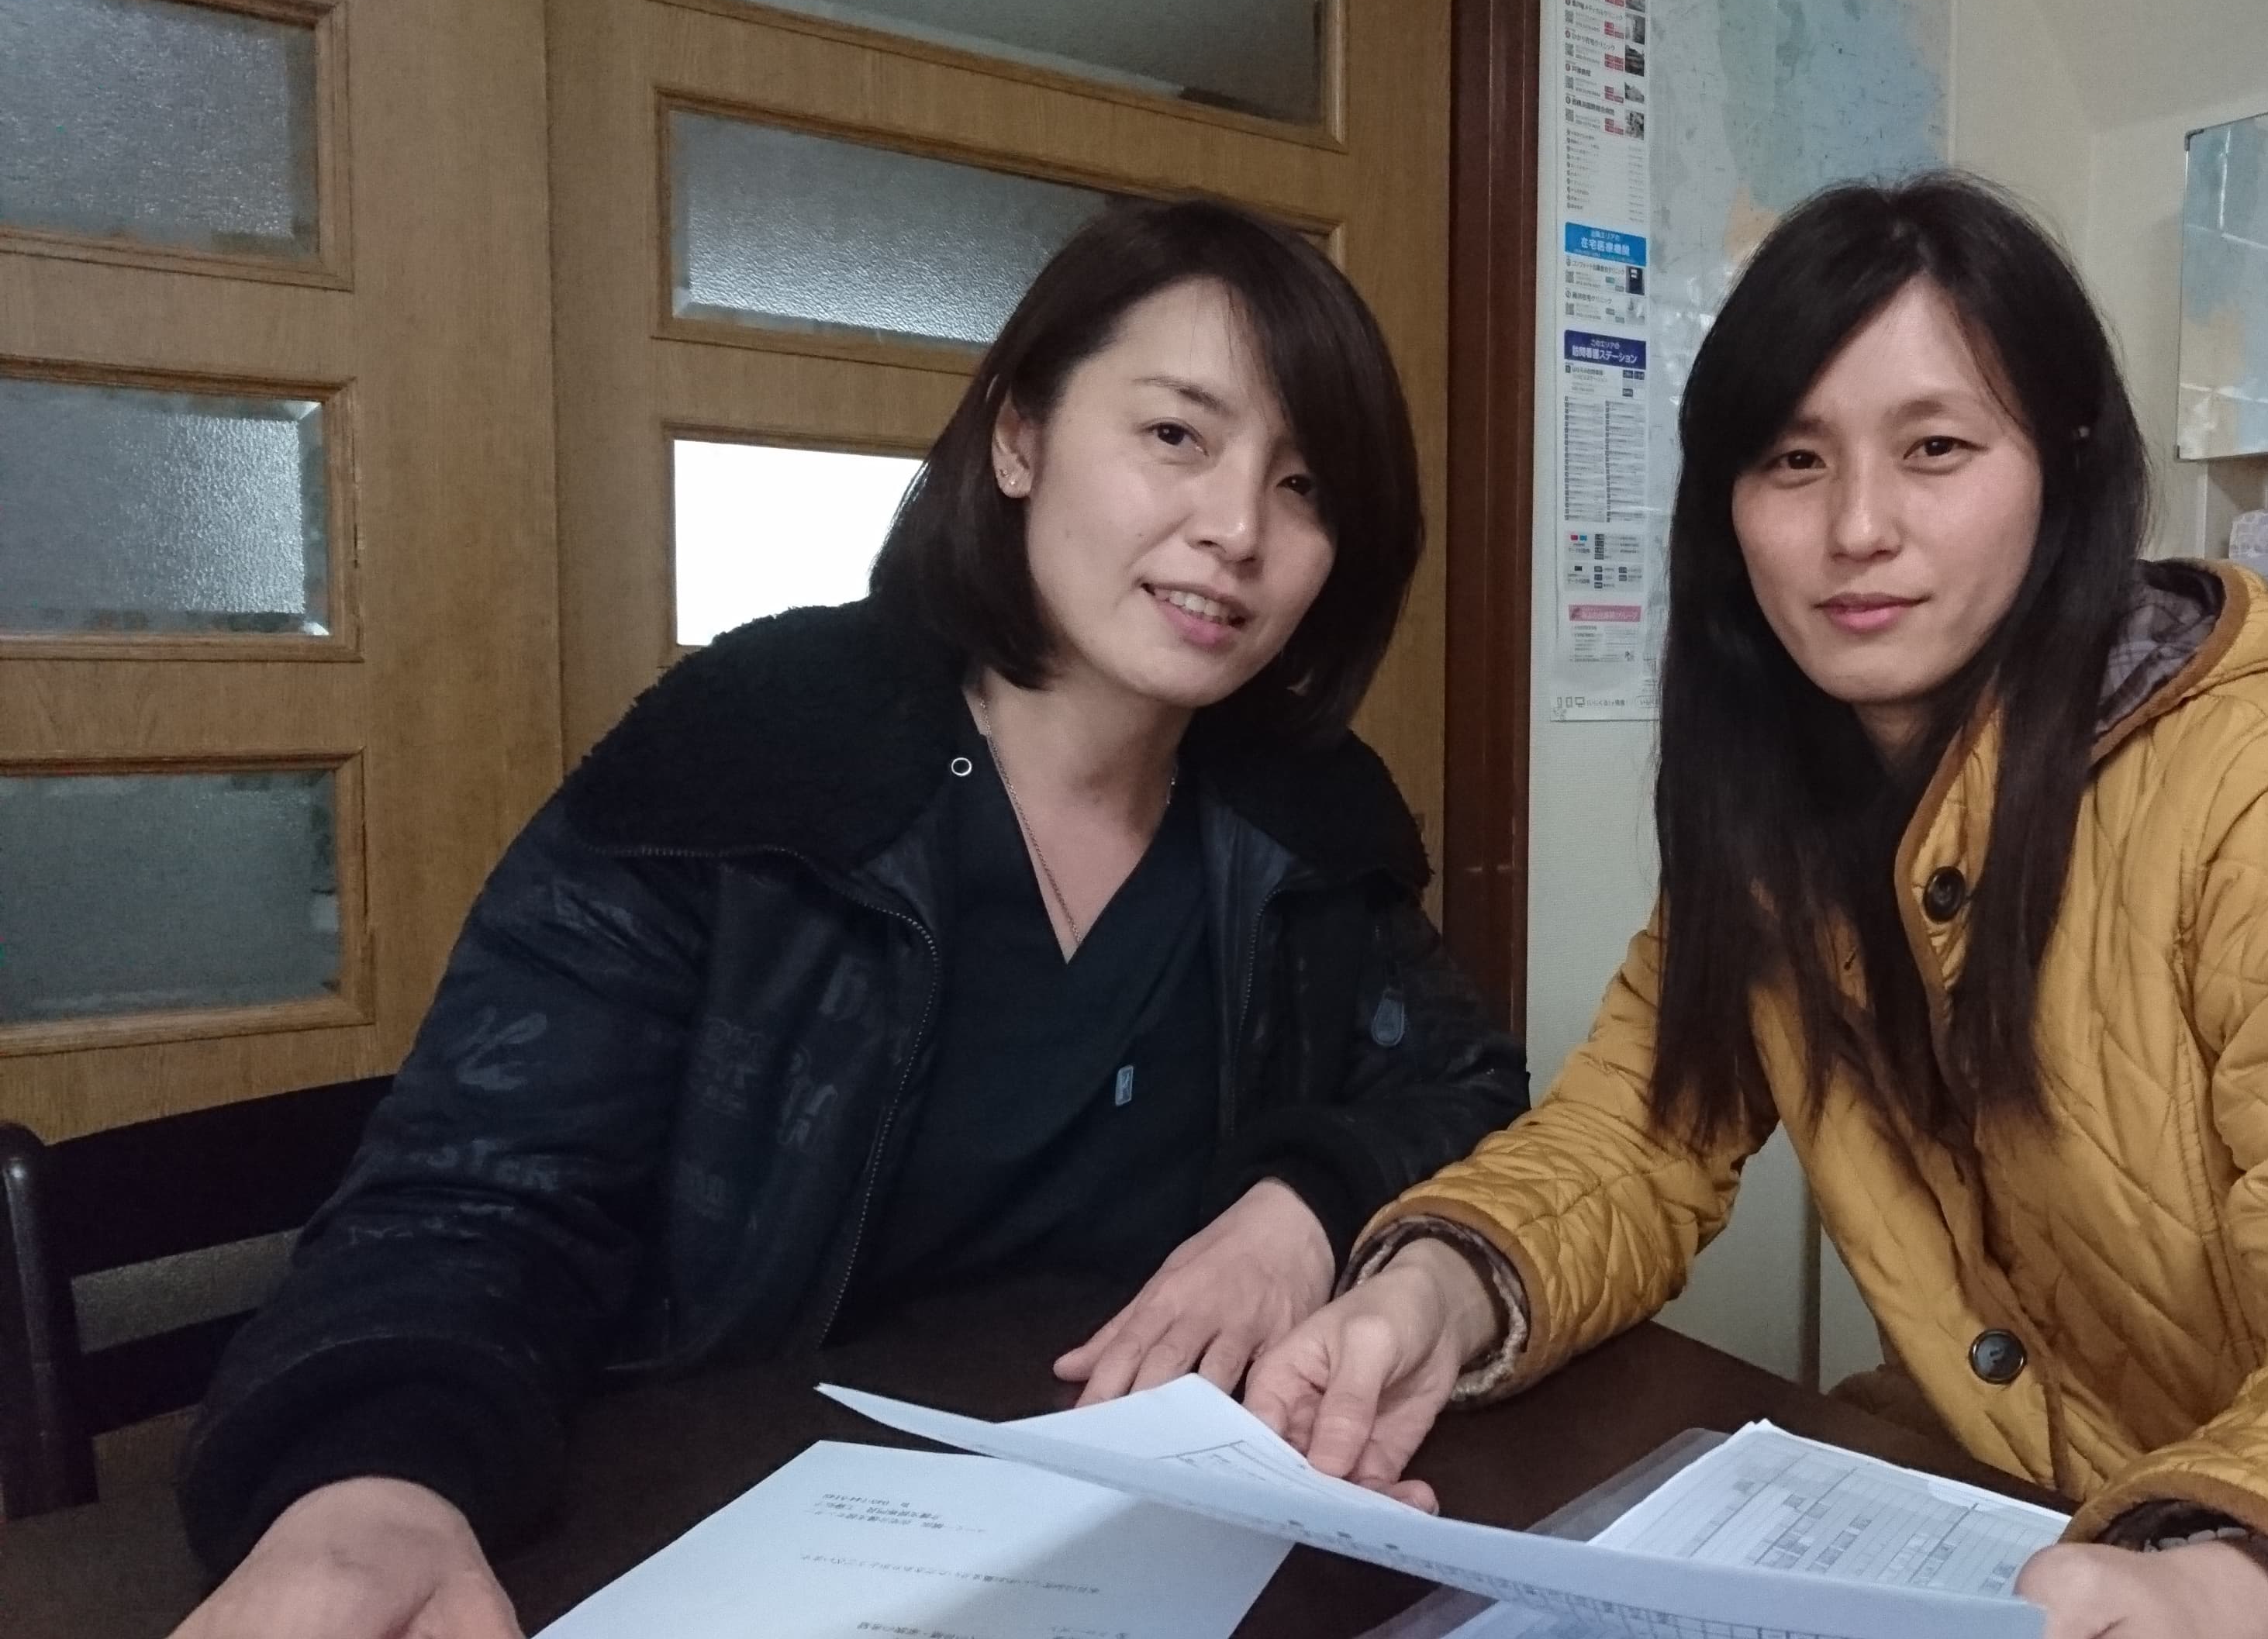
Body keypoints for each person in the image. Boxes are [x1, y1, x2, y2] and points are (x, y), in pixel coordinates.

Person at [1245, 174, 2268, 1639]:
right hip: (2014, 1533)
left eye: (1935, 448)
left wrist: (2235, 1582)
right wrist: (1438, 1290)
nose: (1857, 526)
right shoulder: (1779, 810)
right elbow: (1634, 1137)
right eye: (1793, 461)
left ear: (2063, 465)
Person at [171, 198, 1528, 1639]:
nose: (1238, 529)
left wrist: (1303, 1208)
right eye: (1177, 435)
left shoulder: (1303, 811)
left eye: (1305, 485)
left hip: (1147, 1546)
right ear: (1018, 438)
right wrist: (377, 1479)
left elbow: (1468, 1090)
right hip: (718, 1537)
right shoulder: (761, 751)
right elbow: (478, 1191)